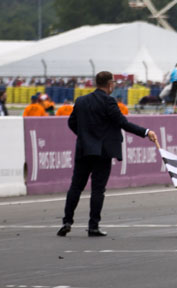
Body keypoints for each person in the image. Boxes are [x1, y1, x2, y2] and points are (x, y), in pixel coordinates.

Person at [57, 71, 158, 238]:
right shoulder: (109, 101)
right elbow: (123, 123)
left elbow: (71, 122)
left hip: (84, 150)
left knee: (76, 187)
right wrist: (146, 132)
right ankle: (93, 226)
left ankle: (67, 221)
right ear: (110, 84)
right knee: (98, 189)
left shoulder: (81, 100)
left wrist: (84, 137)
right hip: (102, 152)